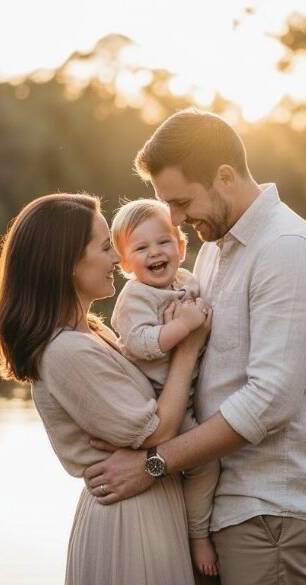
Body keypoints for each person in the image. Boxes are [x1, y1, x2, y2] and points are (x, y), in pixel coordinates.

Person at [83, 109, 306, 585]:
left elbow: (268, 403)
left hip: (268, 511)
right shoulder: (216, 250)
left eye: (181, 202)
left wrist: (153, 465)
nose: (176, 220)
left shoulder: (286, 250)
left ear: (224, 176)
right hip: (217, 503)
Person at [0, 193, 211, 585]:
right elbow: (157, 431)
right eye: (106, 247)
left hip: (150, 509)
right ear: (69, 263)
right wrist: (187, 349)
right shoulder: (64, 351)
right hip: (129, 522)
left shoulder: (91, 331)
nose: (115, 260)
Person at [110, 199, 221, 576]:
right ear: (125, 264)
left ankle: (191, 526)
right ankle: (197, 534)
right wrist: (183, 327)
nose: (154, 253)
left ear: (181, 247)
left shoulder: (188, 281)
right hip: (158, 402)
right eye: (140, 249)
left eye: (163, 242)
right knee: (204, 459)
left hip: (187, 397)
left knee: (205, 464)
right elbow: (140, 342)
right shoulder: (134, 298)